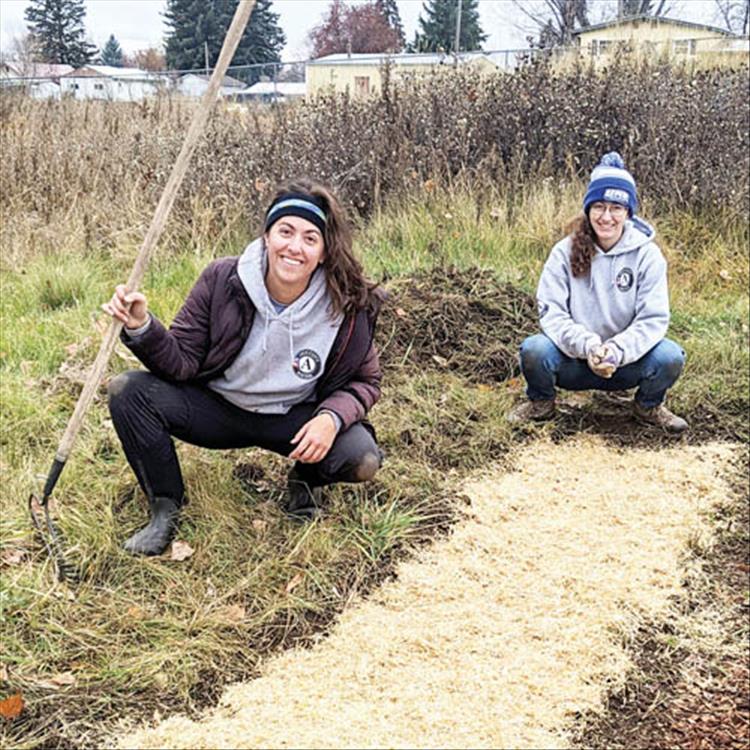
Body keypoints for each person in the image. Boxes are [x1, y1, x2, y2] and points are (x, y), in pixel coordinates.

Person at [103, 178, 384, 556]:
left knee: (361, 458)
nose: (294, 247)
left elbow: (366, 381)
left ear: (323, 252)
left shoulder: (348, 303)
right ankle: (165, 508)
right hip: (218, 409)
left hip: (292, 419)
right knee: (129, 391)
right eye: (285, 231)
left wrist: (330, 418)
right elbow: (182, 361)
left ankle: (305, 481)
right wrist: (142, 327)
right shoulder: (222, 279)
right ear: (267, 236)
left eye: (309, 238)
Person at [509, 152, 688, 433]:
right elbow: (553, 314)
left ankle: (648, 406)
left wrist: (616, 351)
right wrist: (589, 346)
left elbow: (653, 319)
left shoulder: (648, 256)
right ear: (588, 210)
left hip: (625, 365)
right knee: (534, 350)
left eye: (616, 208)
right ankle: (541, 404)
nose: (607, 217)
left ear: (628, 212)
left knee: (670, 356)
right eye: (599, 207)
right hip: (574, 362)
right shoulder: (563, 253)